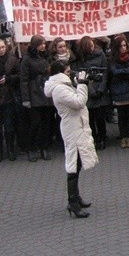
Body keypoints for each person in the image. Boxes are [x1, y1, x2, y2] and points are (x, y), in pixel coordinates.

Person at [44, 60, 99, 218]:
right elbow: (79, 102)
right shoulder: (59, 89)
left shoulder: (64, 85)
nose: (70, 73)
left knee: (78, 162)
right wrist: (82, 84)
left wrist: (80, 82)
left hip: (76, 126)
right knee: (73, 163)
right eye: (68, 71)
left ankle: (76, 198)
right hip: (72, 128)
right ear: (60, 73)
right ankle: (72, 202)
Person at [72, 36, 110, 150]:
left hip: (100, 90)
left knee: (100, 117)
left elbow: (105, 73)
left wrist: (100, 89)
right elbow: (80, 76)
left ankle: (102, 138)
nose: (92, 48)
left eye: (92, 45)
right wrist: (91, 90)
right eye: (89, 46)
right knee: (90, 118)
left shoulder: (100, 54)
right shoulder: (79, 60)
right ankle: (94, 138)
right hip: (88, 91)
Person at [20, 34, 54, 162]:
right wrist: (26, 99)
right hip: (34, 93)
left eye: (44, 43)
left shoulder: (46, 56)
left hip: (45, 91)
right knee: (35, 124)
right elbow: (23, 80)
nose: (43, 46)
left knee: (46, 123)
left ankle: (43, 148)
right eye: (41, 44)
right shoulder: (27, 59)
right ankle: (31, 148)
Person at [109, 35, 129, 148]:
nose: (123, 48)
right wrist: (128, 72)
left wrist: (123, 72)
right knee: (121, 116)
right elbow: (114, 72)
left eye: (124, 45)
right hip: (119, 90)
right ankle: (123, 137)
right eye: (121, 46)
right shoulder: (112, 58)